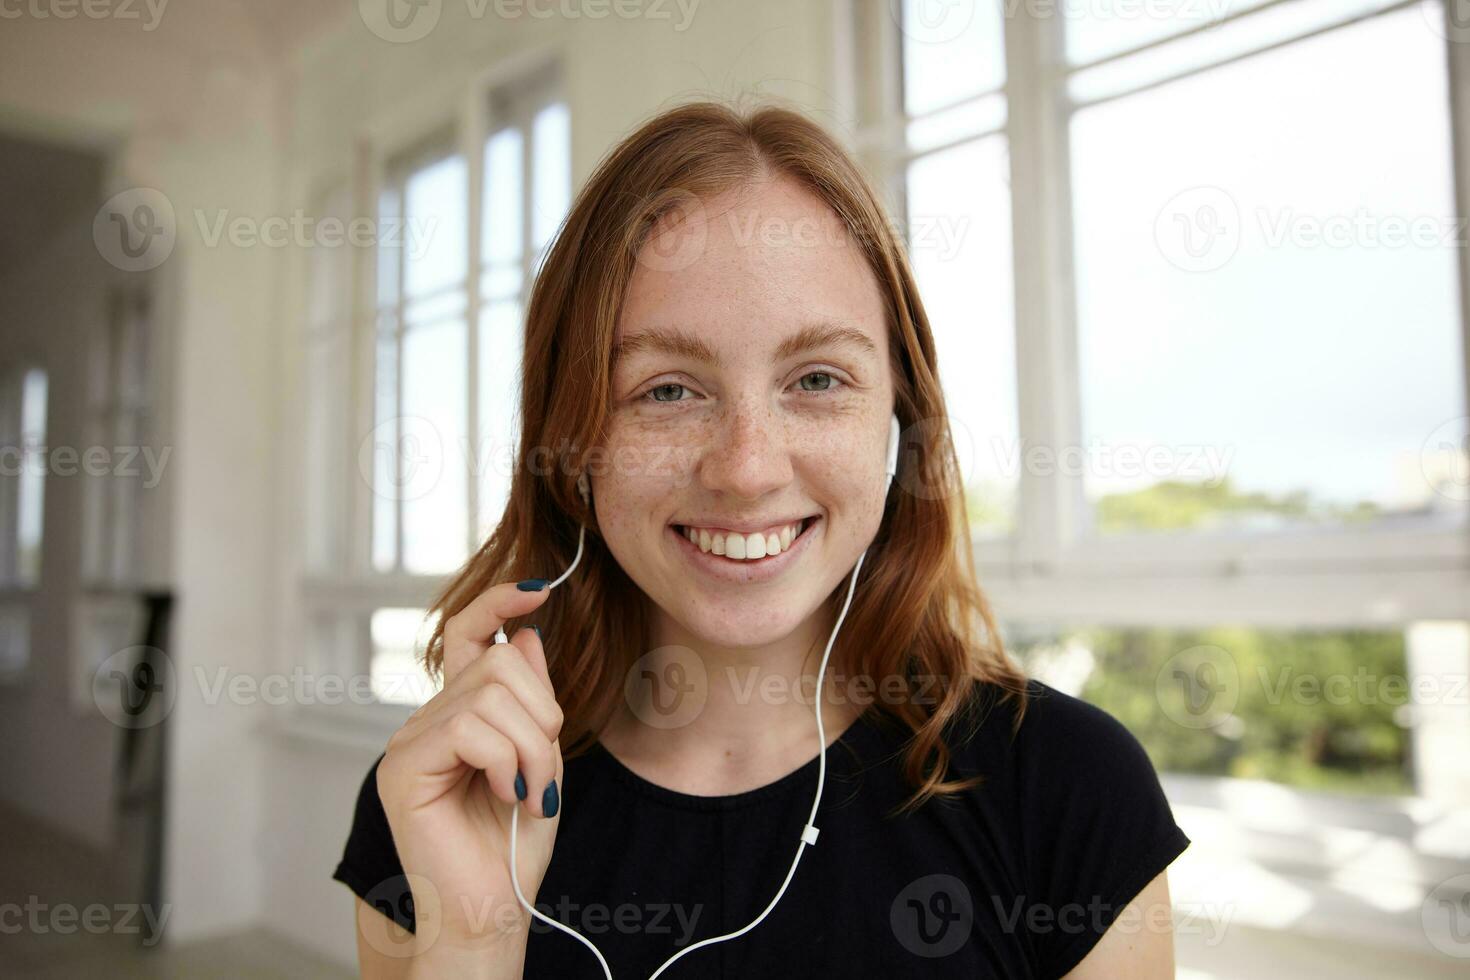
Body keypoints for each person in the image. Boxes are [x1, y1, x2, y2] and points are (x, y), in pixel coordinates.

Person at [332, 99, 1190, 979]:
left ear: (900, 416)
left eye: (817, 378)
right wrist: (471, 943)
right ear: (573, 438)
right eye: (666, 390)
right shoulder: (443, 794)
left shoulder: (1070, 792)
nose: (746, 469)